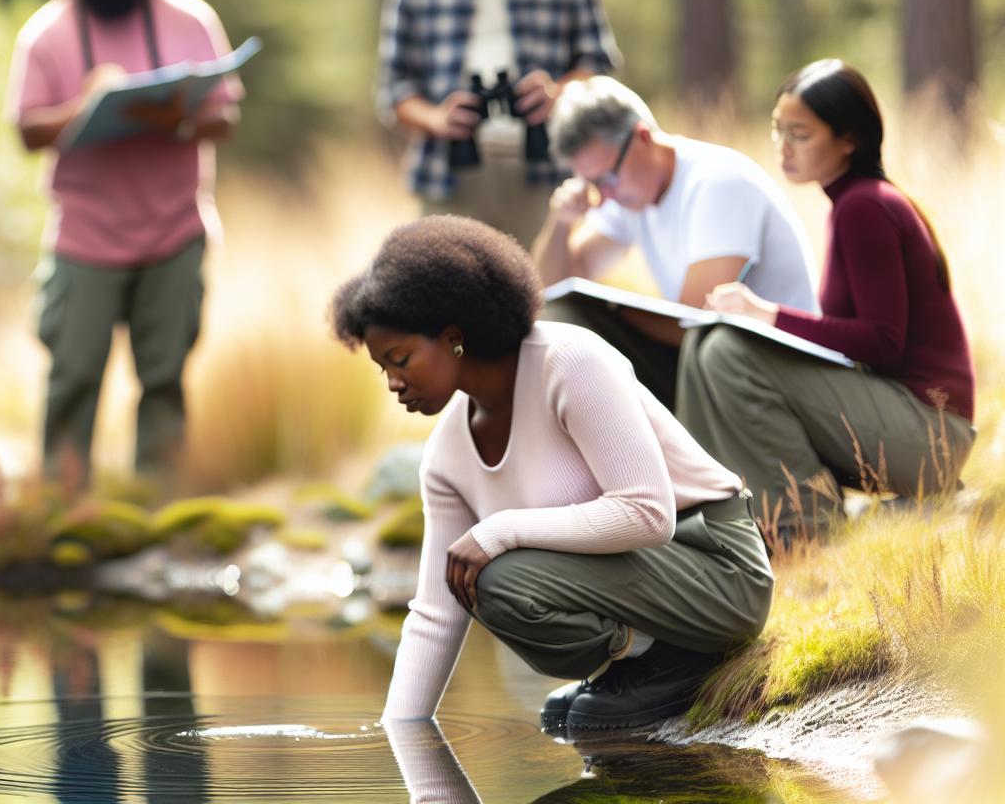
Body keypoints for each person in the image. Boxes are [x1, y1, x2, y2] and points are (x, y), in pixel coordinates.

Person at [331, 217, 771, 733]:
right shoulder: (446, 453)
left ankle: (681, 657)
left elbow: (649, 514)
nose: (392, 383)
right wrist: (401, 732)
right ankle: (647, 657)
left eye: (400, 359)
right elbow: (435, 611)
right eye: (382, 367)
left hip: (718, 567)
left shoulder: (568, 362)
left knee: (498, 575)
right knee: (479, 593)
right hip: (647, 581)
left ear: (453, 338)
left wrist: (501, 529)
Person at [676, 61, 976, 542]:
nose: (784, 147)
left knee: (728, 351)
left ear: (848, 140)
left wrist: (766, 314)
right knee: (706, 343)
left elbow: (881, 343)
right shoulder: (854, 204)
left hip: (931, 434)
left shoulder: (866, 207)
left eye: (801, 133)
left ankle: (806, 524)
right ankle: (723, 511)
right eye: (778, 131)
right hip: (905, 422)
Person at [6, 0, 243, 489]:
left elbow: (224, 114)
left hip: (174, 231)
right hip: (86, 238)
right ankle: (62, 502)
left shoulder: (190, 18)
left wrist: (180, 117)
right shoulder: (48, 31)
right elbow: (28, 130)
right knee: (74, 376)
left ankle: (156, 505)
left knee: (163, 379)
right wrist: (85, 106)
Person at [376, 0, 622, 248]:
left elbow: (597, 60)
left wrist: (558, 94)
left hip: (544, 166)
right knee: (445, 296)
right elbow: (393, 90)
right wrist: (438, 119)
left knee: (546, 291)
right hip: (448, 171)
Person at [533, 76, 817, 409]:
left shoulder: (716, 183)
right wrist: (561, 222)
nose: (604, 194)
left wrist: (607, 313)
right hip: (716, 364)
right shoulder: (631, 193)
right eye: (591, 182)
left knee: (580, 326)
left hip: (774, 371)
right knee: (562, 318)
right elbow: (551, 290)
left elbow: (694, 322)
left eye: (607, 177)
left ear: (641, 137)